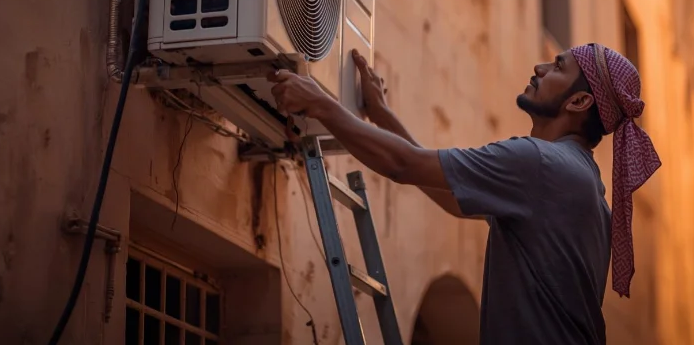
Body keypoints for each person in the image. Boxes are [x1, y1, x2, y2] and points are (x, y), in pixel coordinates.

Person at [267, 43, 661, 345]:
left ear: (579, 101)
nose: (540, 68)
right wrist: (382, 115)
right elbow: (453, 198)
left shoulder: (538, 163)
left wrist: (319, 103)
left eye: (558, 67)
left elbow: (403, 165)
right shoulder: (578, 181)